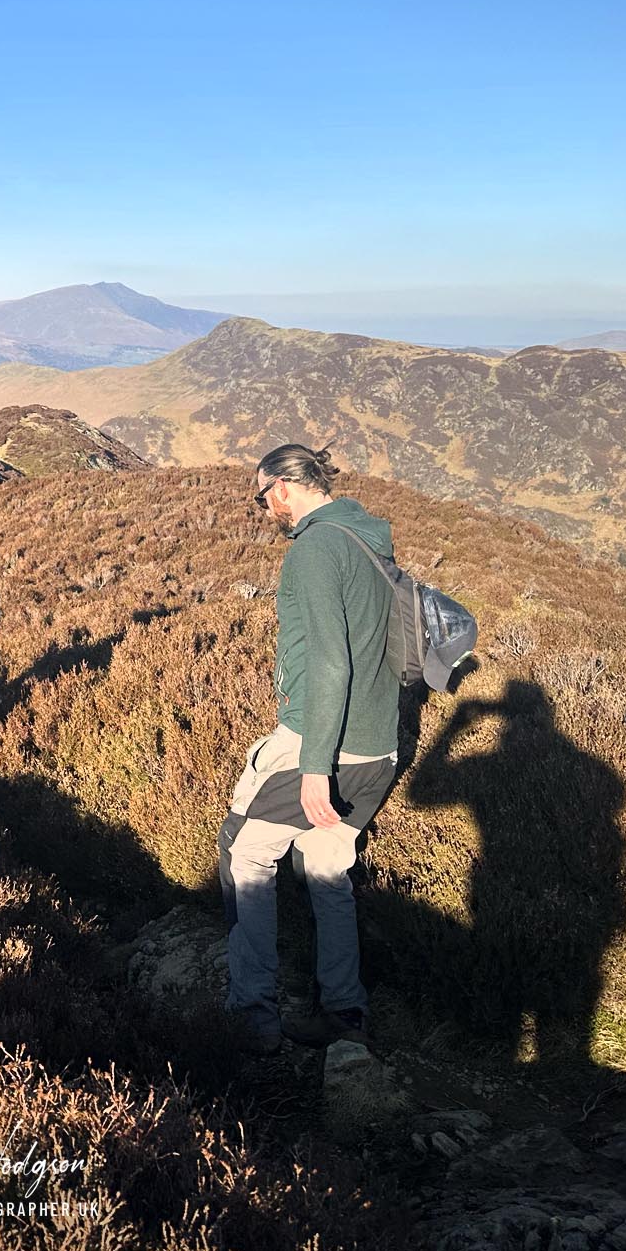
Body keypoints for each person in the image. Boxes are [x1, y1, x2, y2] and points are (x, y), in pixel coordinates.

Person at [218, 443, 403, 1052]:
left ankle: (254, 1018)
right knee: (327, 869)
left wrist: (314, 767)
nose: (263, 507)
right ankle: (345, 1017)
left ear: (283, 487)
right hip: (378, 748)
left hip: (324, 744)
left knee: (244, 852)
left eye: (261, 495)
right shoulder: (367, 538)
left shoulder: (316, 549)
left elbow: (329, 663)